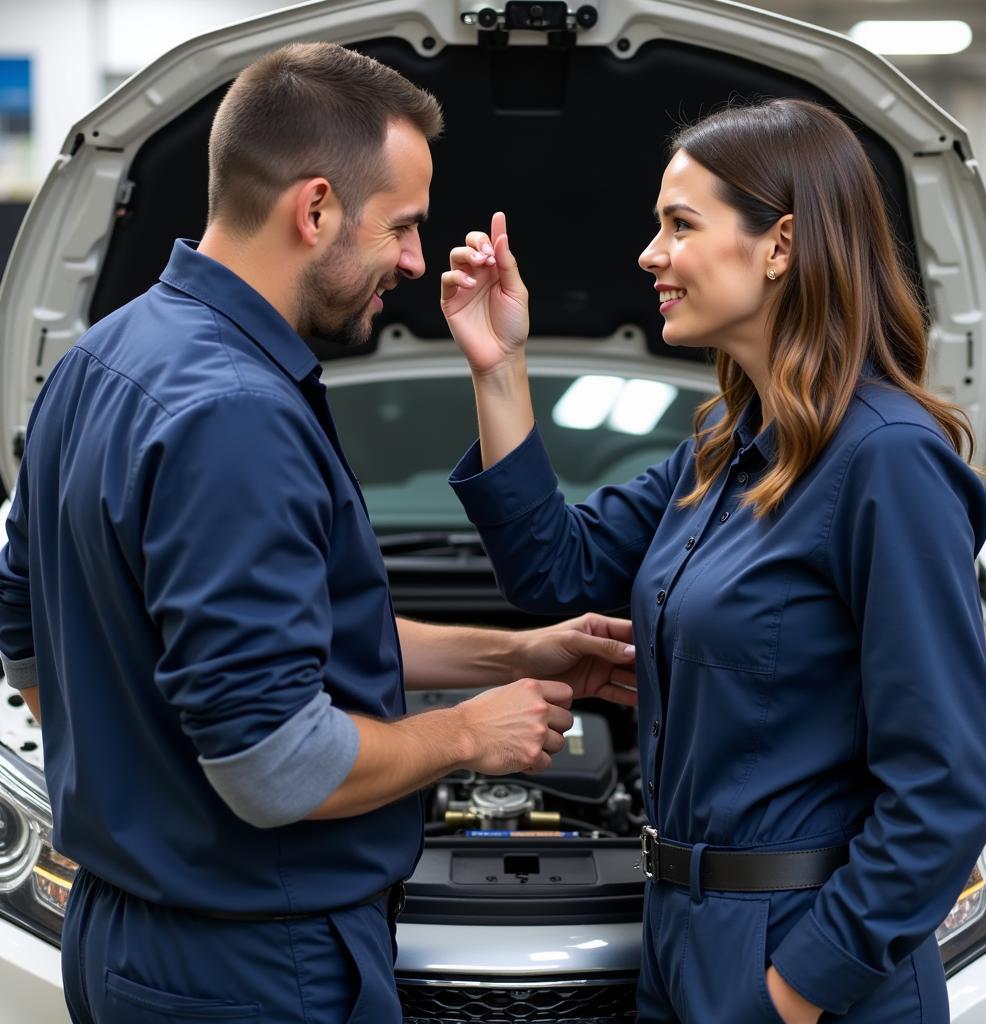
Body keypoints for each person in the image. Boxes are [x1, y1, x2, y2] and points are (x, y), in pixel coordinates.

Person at [0, 43, 639, 1024]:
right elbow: (275, 763)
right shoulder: (235, 414)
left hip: (132, 932)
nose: (418, 263)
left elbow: (29, 630)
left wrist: (515, 651)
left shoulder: (103, 360)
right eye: (404, 227)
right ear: (313, 209)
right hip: (253, 963)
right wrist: (468, 731)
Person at [440, 98, 986, 1023]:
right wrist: (499, 368)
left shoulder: (887, 460)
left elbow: (946, 780)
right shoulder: (726, 445)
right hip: (680, 935)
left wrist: (794, 990)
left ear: (780, 245)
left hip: (800, 952)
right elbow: (555, 574)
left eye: (679, 225)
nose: (649, 255)